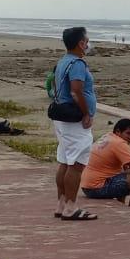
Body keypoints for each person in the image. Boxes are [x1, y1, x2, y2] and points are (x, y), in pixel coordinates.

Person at [51, 26, 98, 221]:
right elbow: (75, 90)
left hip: (62, 119)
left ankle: (62, 203)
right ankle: (71, 206)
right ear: (81, 43)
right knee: (77, 164)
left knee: (64, 160)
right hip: (74, 120)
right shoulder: (78, 63)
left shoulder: (64, 61)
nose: (88, 44)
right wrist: (86, 113)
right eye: (86, 41)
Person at [83, 118, 130, 209]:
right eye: (128, 133)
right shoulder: (119, 143)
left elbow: (125, 169)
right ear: (118, 131)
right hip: (97, 189)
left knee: (123, 172)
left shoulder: (107, 137)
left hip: (87, 187)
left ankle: (122, 207)